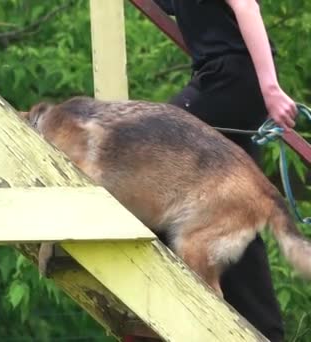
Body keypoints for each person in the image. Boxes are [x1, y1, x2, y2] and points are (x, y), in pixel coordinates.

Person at [149, 1, 298, 341]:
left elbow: (246, 6)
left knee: (151, 136)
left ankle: (159, 284)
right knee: (236, 205)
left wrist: (271, 89)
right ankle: (266, 330)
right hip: (226, 82)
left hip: (230, 79)